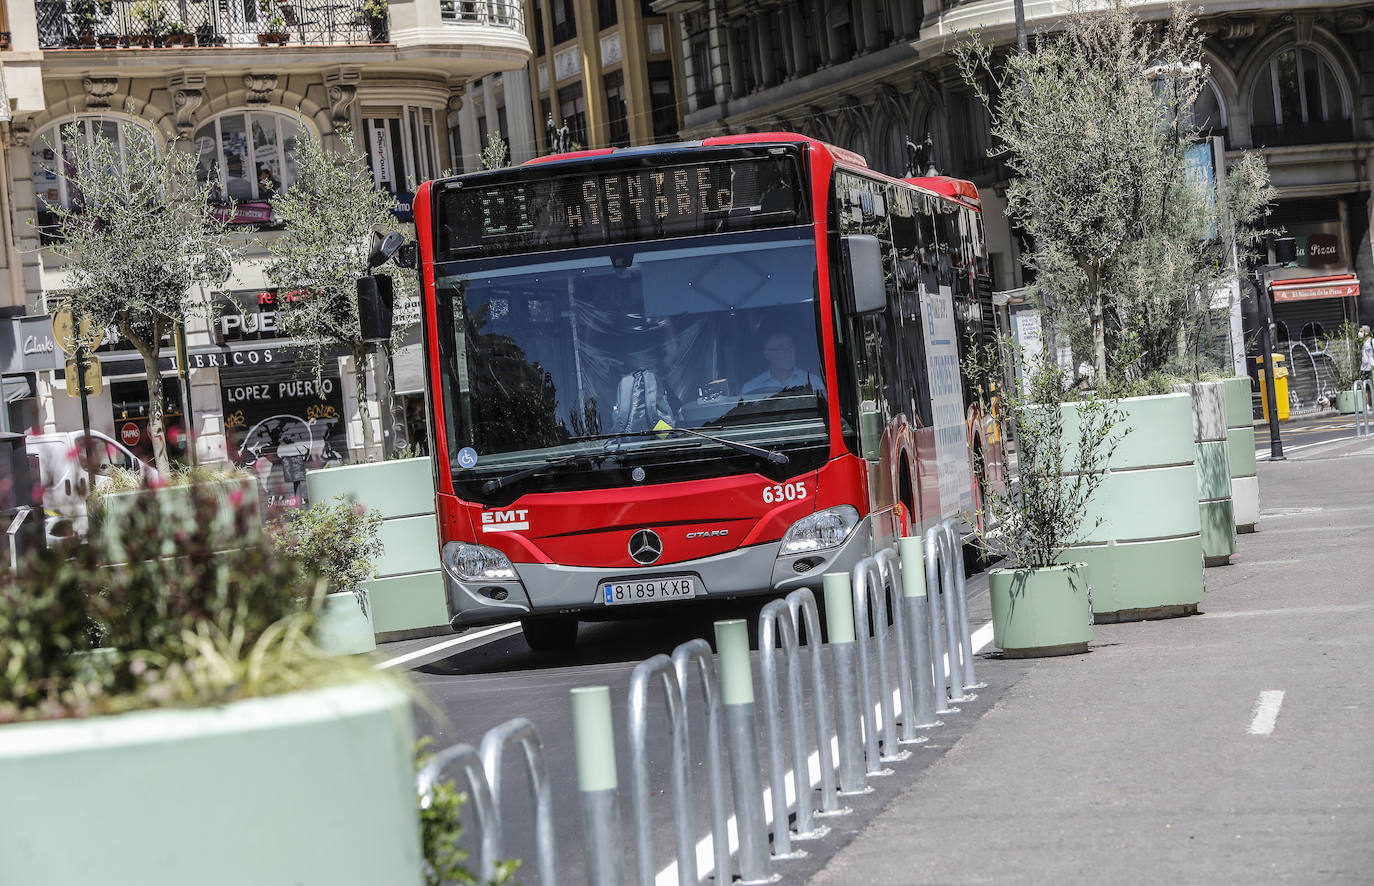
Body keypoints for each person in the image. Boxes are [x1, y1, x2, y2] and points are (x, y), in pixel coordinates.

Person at [741, 331, 824, 396]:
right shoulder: (750, 389)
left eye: (790, 346)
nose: (788, 351)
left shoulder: (814, 382)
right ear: (766, 354)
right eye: (780, 348)